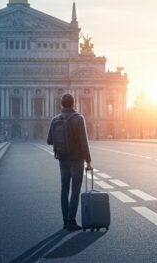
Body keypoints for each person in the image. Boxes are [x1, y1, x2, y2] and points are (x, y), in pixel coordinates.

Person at [47, 94, 92, 231]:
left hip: (62, 158)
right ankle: (71, 221)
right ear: (74, 103)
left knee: (64, 190)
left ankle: (65, 221)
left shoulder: (55, 119)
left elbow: (49, 141)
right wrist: (88, 161)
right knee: (75, 190)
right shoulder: (78, 118)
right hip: (77, 159)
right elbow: (84, 142)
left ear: (61, 104)